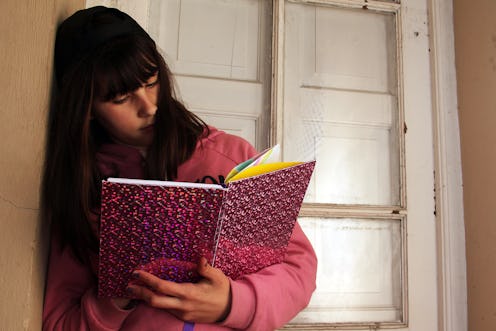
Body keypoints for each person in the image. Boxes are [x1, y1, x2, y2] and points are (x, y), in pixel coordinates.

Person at [42, 6, 317, 331]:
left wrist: (231, 302)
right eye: (121, 98)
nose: (149, 107)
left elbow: (298, 268)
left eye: (152, 82)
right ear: (86, 109)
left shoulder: (230, 156)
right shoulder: (82, 190)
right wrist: (115, 299)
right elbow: (59, 321)